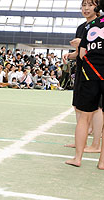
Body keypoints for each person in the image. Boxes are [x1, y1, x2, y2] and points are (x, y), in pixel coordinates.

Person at [65, 0, 104, 168]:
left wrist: (79, 45)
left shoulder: (90, 27)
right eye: (84, 5)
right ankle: (102, 162)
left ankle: (78, 158)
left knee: (84, 116)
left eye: (90, 4)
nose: (86, 8)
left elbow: (82, 54)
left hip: (90, 75)